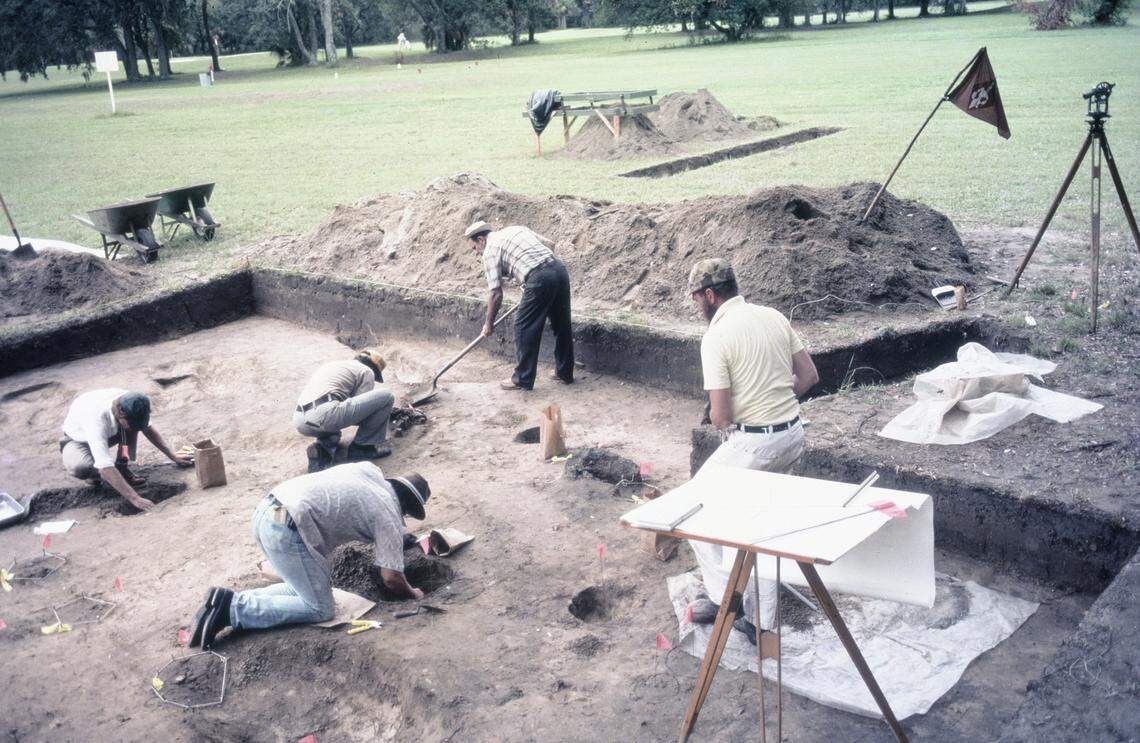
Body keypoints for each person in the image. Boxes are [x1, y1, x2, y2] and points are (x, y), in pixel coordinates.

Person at [685, 258, 820, 642]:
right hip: (792, 434)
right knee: (758, 524)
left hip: (757, 445)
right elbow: (809, 376)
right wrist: (773, 398)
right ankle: (758, 619)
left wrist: (719, 416)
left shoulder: (716, 335)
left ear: (710, 295)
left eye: (698, 300)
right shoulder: (772, 316)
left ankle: (728, 600)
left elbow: (722, 415)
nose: (698, 308)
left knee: (695, 513)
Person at [189, 464, 430, 649]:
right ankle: (233, 611)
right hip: (289, 529)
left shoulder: (369, 470)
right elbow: (391, 578)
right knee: (320, 608)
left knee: (303, 588)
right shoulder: (388, 513)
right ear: (407, 506)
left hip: (267, 512)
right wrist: (413, 593)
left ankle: (227, 601)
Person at [464, 220, 574, 391]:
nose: (476, 253)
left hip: (540, 278)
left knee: (523, 326)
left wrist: (488, 324)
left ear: (481, 239)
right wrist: (533, 278)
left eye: (474, 248)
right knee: (562, 324)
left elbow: (495, 293)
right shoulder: (515, 229)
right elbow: (550, 244)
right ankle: (564, 372)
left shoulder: (490, 251)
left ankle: (522, 378)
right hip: (558, 270)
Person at [59, 389, 192, 511]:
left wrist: (172, 455)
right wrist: (135, 498)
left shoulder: (132, 401)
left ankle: (122, 467)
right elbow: (105, 466)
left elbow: (147, 430)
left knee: (130, 431)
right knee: (81, 467)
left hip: (112, 431)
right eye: (130, 422)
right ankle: (97, 476)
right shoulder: (96, 420)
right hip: (79, 440)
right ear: (120, 413)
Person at [295, 349, 396, 472]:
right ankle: (362, 448)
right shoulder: (367, 371)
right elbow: (362, 416)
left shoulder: (334, 365)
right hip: (326, 414)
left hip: (300, 421)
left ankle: (322, 449)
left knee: (334, 434)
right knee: (387, 396)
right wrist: (383, 414)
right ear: (374, 369)